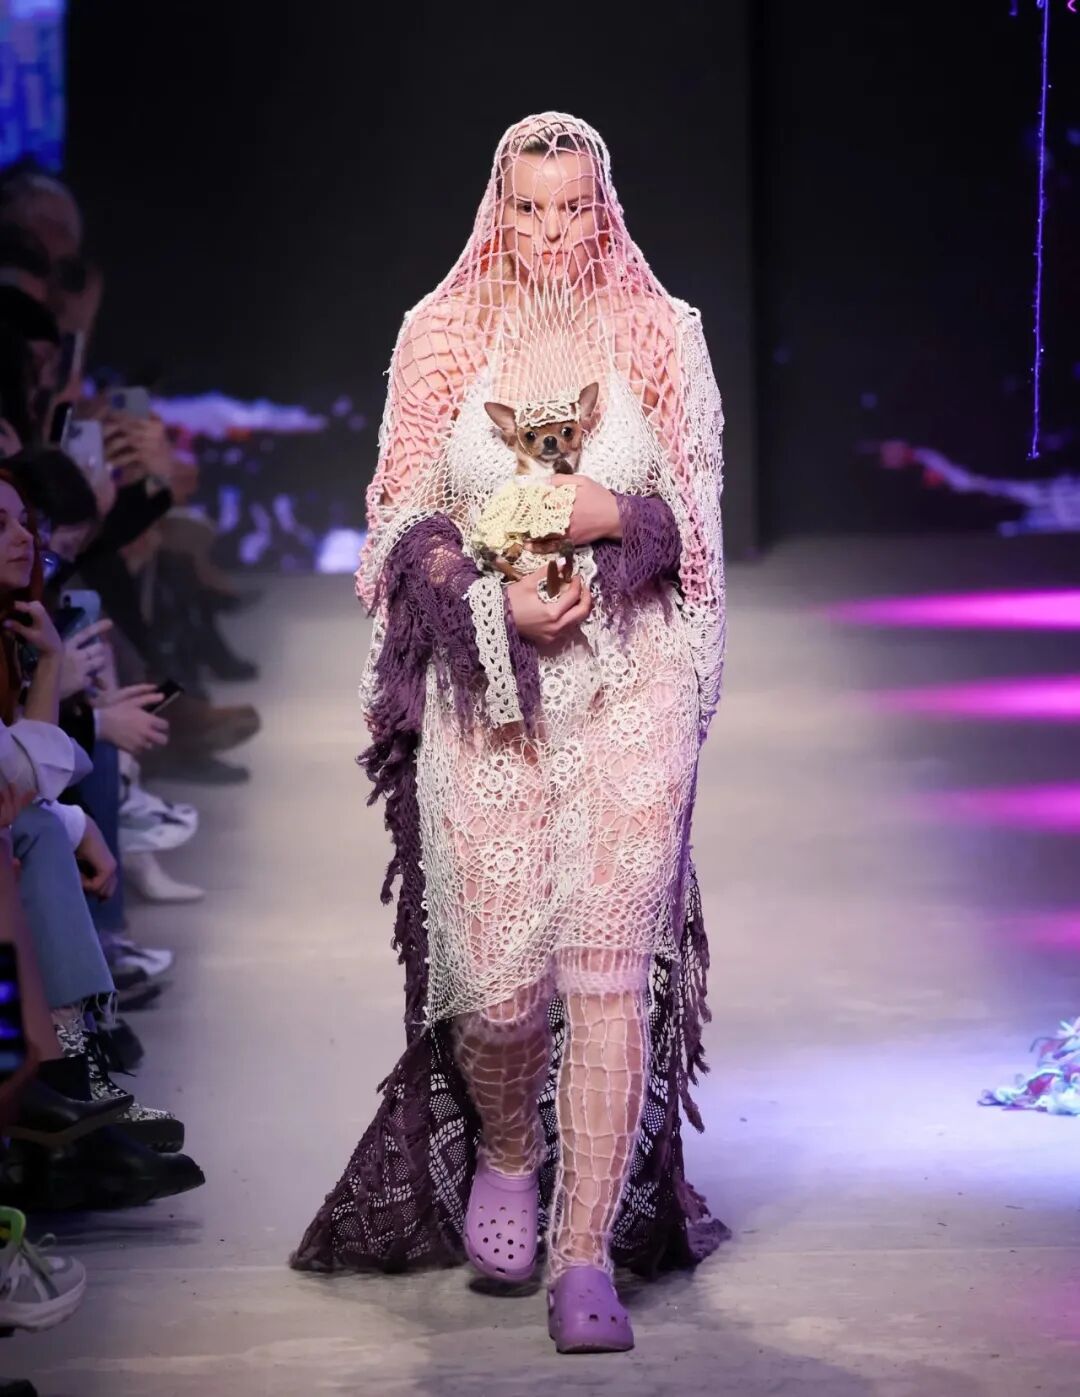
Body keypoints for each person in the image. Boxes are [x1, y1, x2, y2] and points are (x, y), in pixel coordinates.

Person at [291, 114, 727, 1353]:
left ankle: (583, 1256)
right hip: (486, 693)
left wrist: (609, 513)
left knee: (607, 971)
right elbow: (398, 524)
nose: (550, 231)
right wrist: (493, 604)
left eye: (572, 206)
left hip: (632, 682)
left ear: (604, 208)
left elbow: (696, 527)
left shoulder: (662, 332)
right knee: (500, 989)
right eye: (530, 206)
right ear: (499, 206)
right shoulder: (441, 334)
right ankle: (508, 1146)